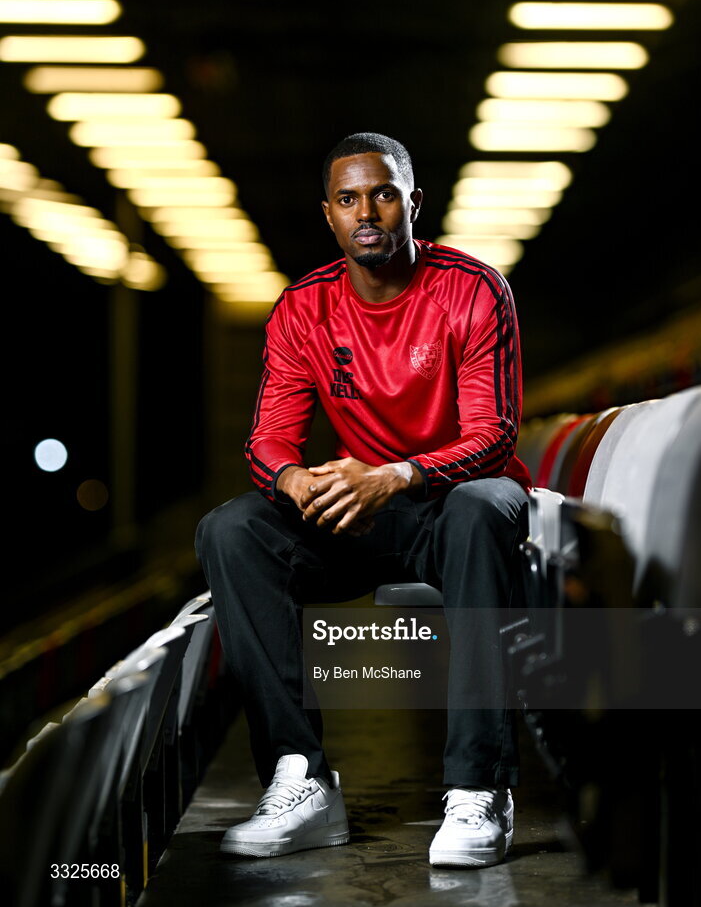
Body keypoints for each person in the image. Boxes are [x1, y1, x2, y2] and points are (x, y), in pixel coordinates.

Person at [195, 132, 532, 867]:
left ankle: (480, 787)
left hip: (451, 502)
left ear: (413, 202)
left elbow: (493, 435)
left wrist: (397, 473)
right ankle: (301, 777)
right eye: (348, 198)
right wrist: (295, 481)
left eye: (382, 192)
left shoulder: (472, 288)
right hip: (360, 507)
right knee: (232, 529)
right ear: (330, 215)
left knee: (482, 506)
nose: (366, 211)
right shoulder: (303, 309)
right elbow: (268, 441)